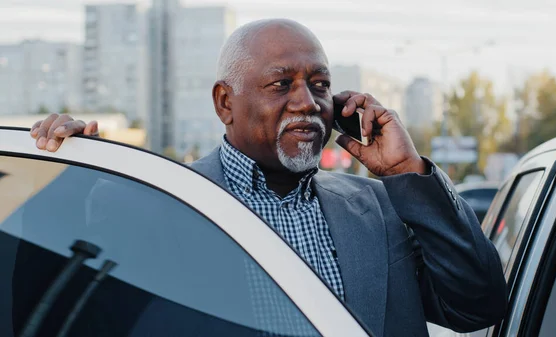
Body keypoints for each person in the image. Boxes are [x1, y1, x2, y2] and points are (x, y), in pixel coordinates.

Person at [30, 19, 507, 337]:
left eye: (320, 85)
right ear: (224, 103)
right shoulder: (159, 203)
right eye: (281, 84)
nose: (307, 102)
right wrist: (62, 177)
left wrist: (408, 172)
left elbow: (477, 306)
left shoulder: (382, 207)